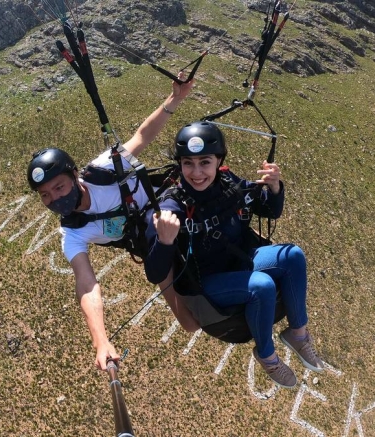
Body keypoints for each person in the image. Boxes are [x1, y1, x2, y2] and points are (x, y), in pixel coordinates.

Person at [27, 75, 199, 371]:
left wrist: (176, 98)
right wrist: (101, 340)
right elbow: (86, 283)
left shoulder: (103, 170)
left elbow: (142, 136)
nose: (54, 199)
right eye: (45, 195)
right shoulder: (73, 232)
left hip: (172, 209)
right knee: (188, 322)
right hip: (152, 247)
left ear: (74, 177)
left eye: (59, 187)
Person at [143, 121, 324, 388]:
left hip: (238, 262)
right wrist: (165, 240)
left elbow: (267, 210)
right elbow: (156, 273)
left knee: (292, 255)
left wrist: (274, 188)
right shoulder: (172, 207)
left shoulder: (227, 182)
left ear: (219, 161)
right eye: (188, 164)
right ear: (180, 164)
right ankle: (267, 355)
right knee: (261, 286)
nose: (196, 172)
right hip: (207, 283)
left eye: (204, 162)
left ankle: (298, 334)